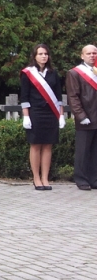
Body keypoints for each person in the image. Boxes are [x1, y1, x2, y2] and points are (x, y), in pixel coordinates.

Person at [20, 44, 64, 191]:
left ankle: (45, 177)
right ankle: (36, 178)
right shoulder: (28, 73)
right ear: (35, 56)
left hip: (51, 113)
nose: (44, 56)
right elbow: (24, 96)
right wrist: (26, 116)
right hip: (35, 112)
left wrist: (61, 115)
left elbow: (58, 96)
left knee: (48, 145)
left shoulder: (53, 73)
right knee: (36, 144)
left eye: (46, 54)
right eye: (40, 54)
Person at [65, 44, 97, 190]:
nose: (92, 56)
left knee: (95, 151)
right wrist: (81, 115)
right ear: (82, 56)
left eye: (94, 53)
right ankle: (81, 179)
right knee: (83, 151)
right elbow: (73, 97)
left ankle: (94, 179)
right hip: (86, 117)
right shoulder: (75, 73)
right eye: (89, 53)